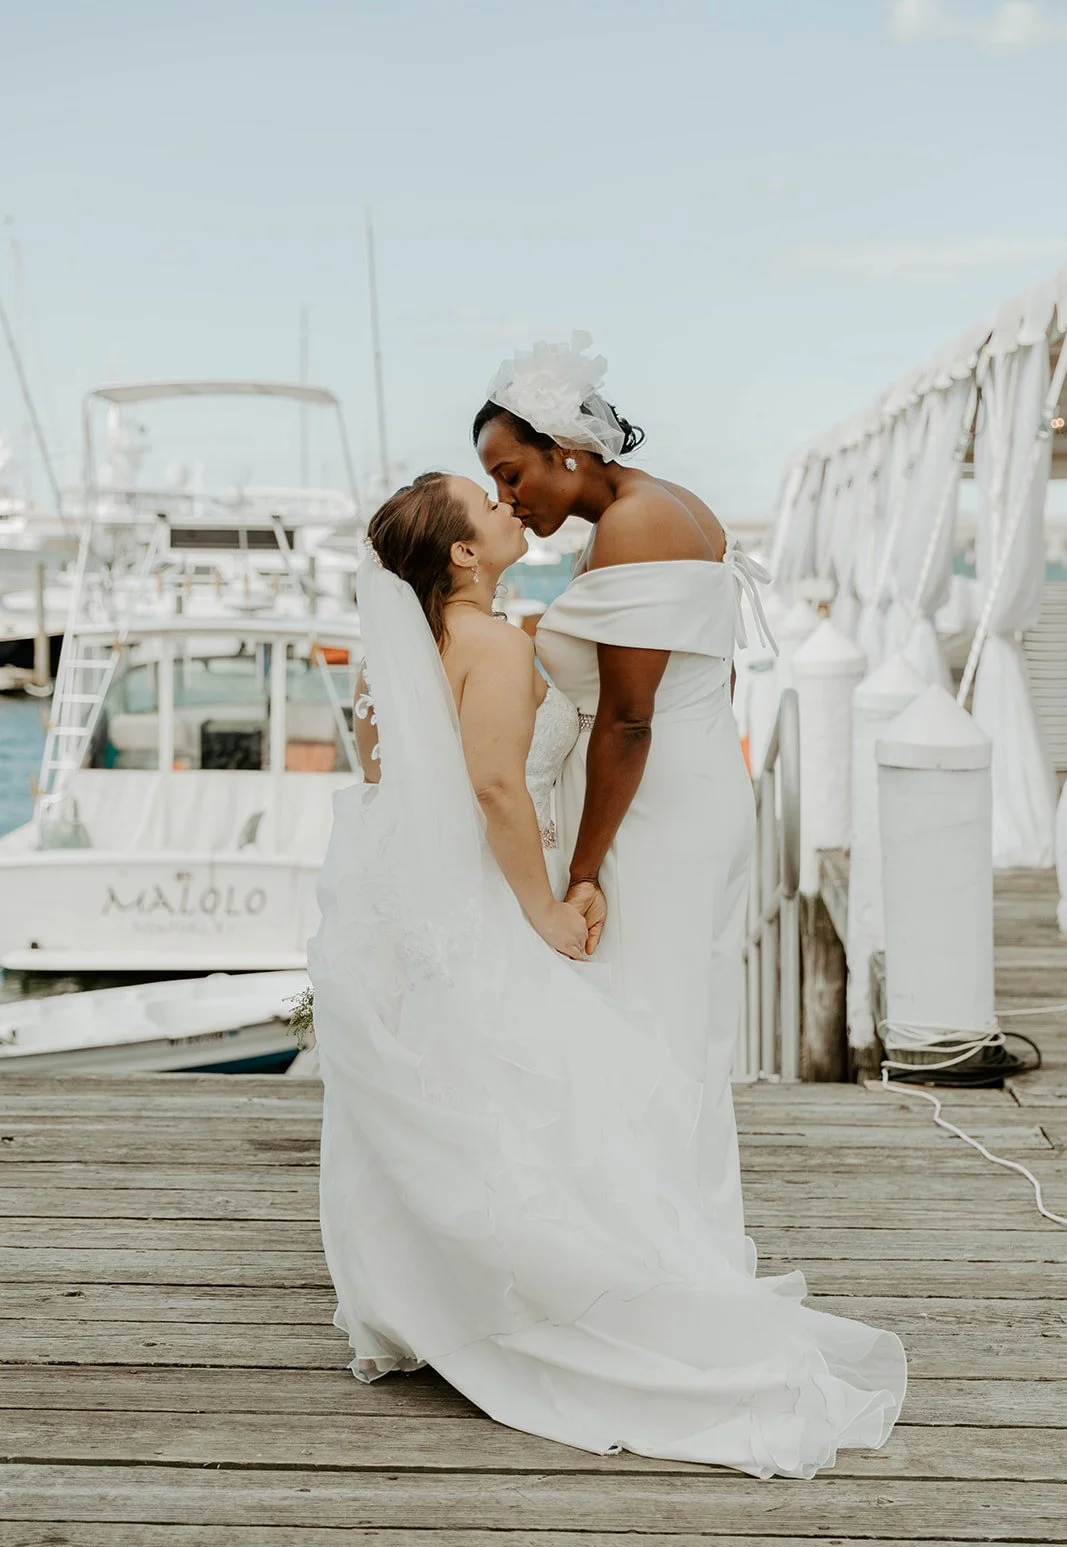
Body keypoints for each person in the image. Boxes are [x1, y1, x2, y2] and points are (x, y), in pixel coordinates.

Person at [308, 464, 906, 1480]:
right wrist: (543, 905)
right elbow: (497, 787)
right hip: (491, 897)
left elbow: (388, 773)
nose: (505, 509)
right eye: (487, 505)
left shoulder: (427, 646)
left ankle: (414, 1294)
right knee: (540, 1091)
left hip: (432, 900)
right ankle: (538, 1294)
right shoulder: (493, 643)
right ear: (460, 553)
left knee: (451, 1092)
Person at [474, 333, 773, 1239]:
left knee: (648, 1024)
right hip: (688, 783)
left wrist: (585, 869)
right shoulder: (659, 508)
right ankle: (654, 1234)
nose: (505, 498)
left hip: (655, 808)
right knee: (667, 1021)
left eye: (511, 473)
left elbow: (630, 717)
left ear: (566, 450)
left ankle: (658, 1247)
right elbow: (702, 682)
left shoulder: (638, 523)